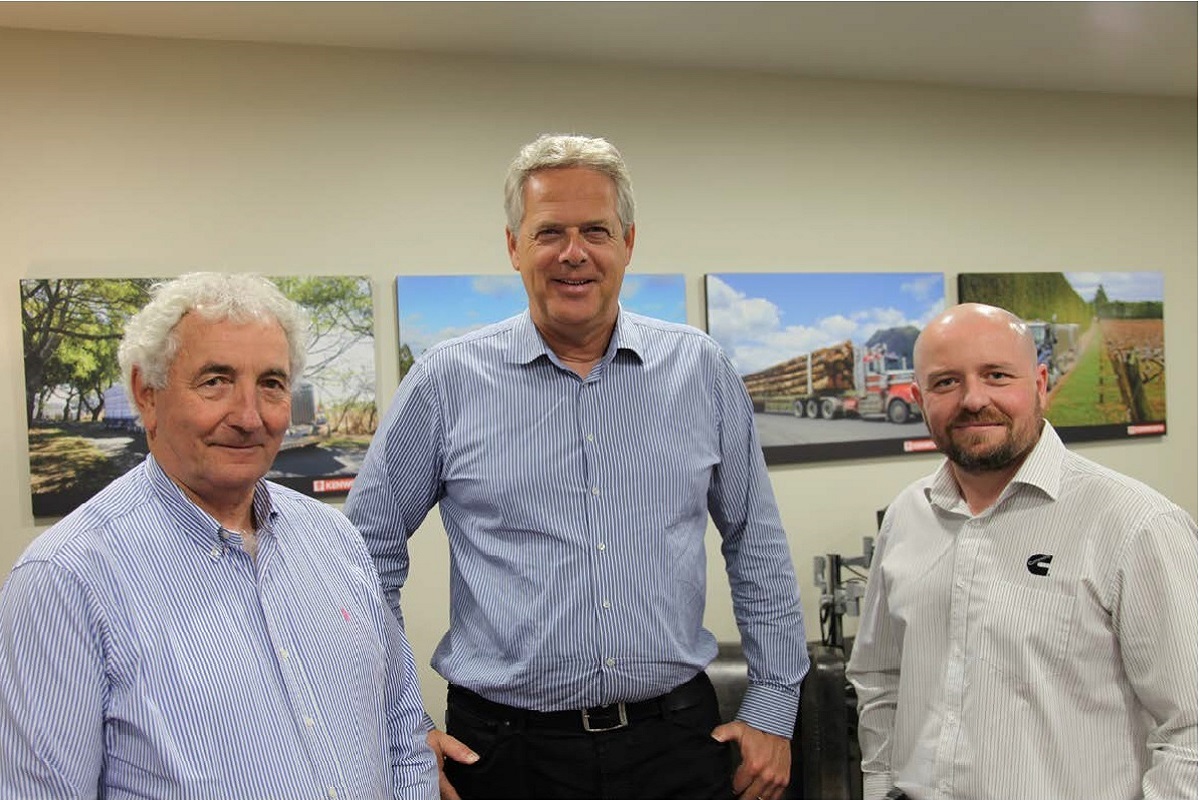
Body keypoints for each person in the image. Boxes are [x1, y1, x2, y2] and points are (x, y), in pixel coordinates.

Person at [345, 133, 809, 800]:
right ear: (513, 246)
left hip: (675, 744)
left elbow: (754, 540)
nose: (574, 253)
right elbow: (363, 555)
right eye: (549, 231)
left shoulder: (699, 370)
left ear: (628, 241)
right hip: (506, 753)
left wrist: (773, 706)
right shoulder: (446, 382)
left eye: (596, 229)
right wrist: (398, 720)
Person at [0, 272, 438, 800]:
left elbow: (404, 739)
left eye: (271, 384)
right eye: (216, 381)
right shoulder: (65, 579)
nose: (249, 417)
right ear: (146, 392)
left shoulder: (335, 541)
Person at [845, 302, 1197, 800]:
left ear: (1039, 384)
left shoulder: (1136, 524)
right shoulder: (907, 515)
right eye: (946, 382)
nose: (972, 399)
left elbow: (1191, 731)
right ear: (921, 400)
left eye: (996, 375)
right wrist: (881, 788)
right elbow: (880, 678)